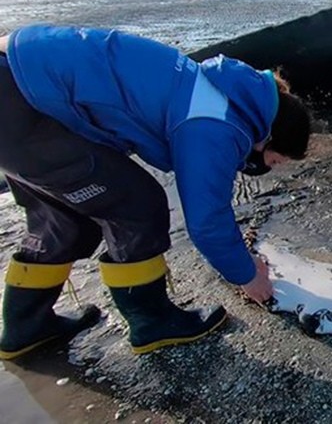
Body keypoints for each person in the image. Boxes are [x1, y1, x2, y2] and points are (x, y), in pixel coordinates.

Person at [0, 24, 311, 359]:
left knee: (64, 218)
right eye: (276, 160)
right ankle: (153, 322)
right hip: (25, 100)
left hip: (17, 82)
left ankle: (26, 327)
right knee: (136, 205)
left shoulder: (221, 89)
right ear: (267, 135)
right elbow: (208, 218)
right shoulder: (216, 122)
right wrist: (248, 276)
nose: (269, 168)